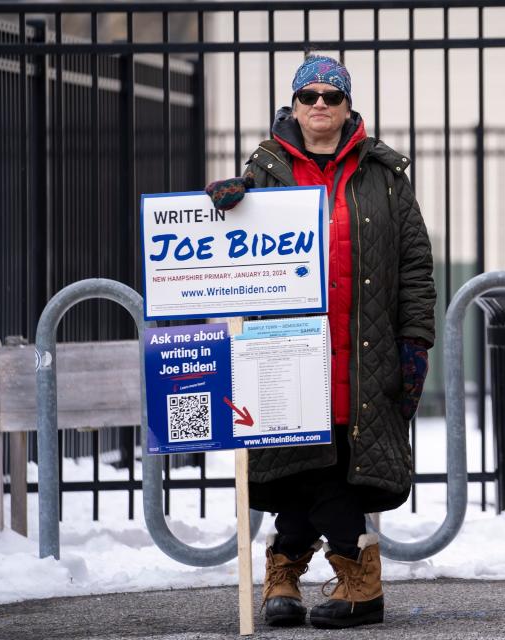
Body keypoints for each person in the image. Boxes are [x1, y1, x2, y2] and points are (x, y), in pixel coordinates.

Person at [205, 54, 436, 629]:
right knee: (303, 458)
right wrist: (222, 210)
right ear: (293, 105)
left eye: (331, 97)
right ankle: (351, 573)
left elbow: (415, 264)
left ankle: (288, 573)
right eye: (308, 97)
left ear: (347, 106)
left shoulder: (385, 176)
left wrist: (415, 339)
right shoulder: (263, 172)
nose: (319, 106)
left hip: (363, 348)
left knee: (336, 456)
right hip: (288, 346)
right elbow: (223, 252)